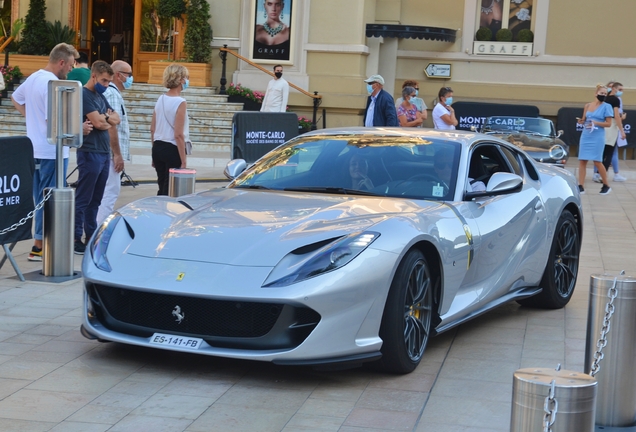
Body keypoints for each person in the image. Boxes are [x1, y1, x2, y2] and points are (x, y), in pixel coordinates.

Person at [11, 43, 79, 261]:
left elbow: (15, 98)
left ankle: (40, 242)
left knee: (39, 196)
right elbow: (56, 120)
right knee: (49, 198)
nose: (70, 70)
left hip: (34, 148)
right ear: (61, 62)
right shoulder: (52, 84)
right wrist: (79, 129)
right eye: (69, 66)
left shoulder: (34, 78)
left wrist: (31, 117)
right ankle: (40, 244)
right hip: (52, 151)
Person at [74, 60, 120, 254]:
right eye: (104, 80)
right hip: (90, 152)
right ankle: (76, 237)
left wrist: (105, 118)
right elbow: (99, 123)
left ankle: (90, 235)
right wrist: (106, 118)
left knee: (96, 199)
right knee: (83, 198)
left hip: (103, 152)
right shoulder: (85, 95)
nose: (106, 84)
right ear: (93, 76)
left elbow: (116, 119)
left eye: (109, 81)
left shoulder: (100, 97)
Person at [96, 60, 132, 225]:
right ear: (119, 75)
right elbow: (112, 126)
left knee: (106, 192)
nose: (131, 78)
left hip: (107, 153)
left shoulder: (111, 93)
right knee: (109, 193)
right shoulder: (112, 94)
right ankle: (99, 230)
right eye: (128, 75)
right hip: (110, 154)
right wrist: (117, 155)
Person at [151, 63, 190, 196]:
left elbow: (152, 128)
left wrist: (153, 150)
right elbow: (178, 134)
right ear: (180, 80)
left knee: (161, 185)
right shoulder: (180, 102)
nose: (187, 81)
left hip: (157, 146)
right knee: (171, 190)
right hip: (172, 148)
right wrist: (183, 160)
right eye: (186, 77)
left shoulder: (160, 99)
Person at [577, 84, 613, 195]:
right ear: (596, 93)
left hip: (597, 135)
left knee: (597, 161)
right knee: (582, 160)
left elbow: (608, 123)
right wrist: (581, 121)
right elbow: (584, 119)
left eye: (605, 94)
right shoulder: (587, 105)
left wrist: (596, 123)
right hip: (586, 134)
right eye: (601, 93)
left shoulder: (607, 106)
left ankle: (606, 185)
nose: (603, 95)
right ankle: (581, 185)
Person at [594, 81, 627, 183]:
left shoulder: (605, 99)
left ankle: (597, 174)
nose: (621, 92)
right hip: (611, 125)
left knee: (602, 152)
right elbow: (616, 116)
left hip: (603, 124)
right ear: (614, 88)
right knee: (609, 152)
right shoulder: (615, 100)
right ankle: (602, 175)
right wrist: (622, 131)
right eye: (620, 89)